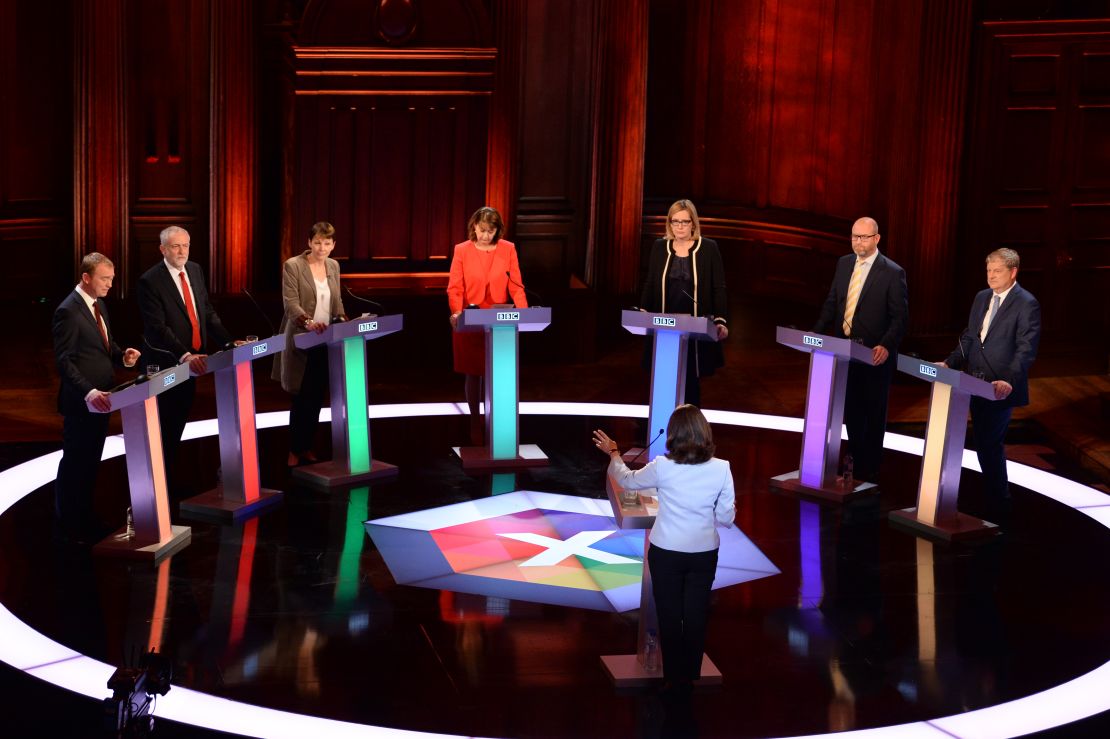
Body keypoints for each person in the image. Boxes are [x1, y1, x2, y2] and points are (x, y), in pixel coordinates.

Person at [592, 405, 736, 694]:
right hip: (704, 553)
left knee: (670, 614)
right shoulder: (722, 468)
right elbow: (725, 518)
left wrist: (614, 453)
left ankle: (673, 677)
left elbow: (627, 480)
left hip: (666, 552)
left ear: (673, 434)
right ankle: (690, 673)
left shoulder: (663, 466)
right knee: (695, 614)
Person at [940, 248, 1040, 520]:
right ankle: (989, 497)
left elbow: (1025, 349)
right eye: (989, 271)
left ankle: (1000, 503)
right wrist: (949, 363)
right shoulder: (981, 297)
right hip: (972, 382)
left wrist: (1008, 379)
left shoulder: (1026, 303)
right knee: (981, 442)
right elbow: (970, 337)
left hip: (1000, 388)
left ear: (1013, 272)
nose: (992, 276)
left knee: (988, 443)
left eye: (997, 271)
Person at [137, 225, 232, 494]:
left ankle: (168, 481)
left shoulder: (195, 270)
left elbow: (207, 312)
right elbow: (158, 328)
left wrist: (228, 342)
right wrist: (185, 354)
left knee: (178, 421)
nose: (182, 251)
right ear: (163, 249)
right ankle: (157, 486)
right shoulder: (149, 281)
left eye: (185, 246)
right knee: (163, 427)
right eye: (176, 246)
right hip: (167, 363)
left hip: (194, 363)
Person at [52, 253, 141, 542]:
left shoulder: (98, 305)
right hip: (82, 403)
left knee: (90, 463)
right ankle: (68, 524)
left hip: (104, 400)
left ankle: (84, 518)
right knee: (76, 463)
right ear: (86, 277)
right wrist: (89, 391)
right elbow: (64, 362)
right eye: (105, 279)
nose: (110, 284)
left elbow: (106, 346)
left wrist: (123, 356)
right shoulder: (68, 311)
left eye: (112, 279)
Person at [813, 217, 908, 483]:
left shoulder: (892, 272)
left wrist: (886, 345)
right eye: (855, 236)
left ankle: (871, 469)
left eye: (864, 237)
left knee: (873, 413)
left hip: (875, 357)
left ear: (877, 239)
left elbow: (900, 318)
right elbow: (833, 302)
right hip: (844, 352)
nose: (859, 242)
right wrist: (816, 333)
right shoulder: (844, 264)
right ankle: (854, 458)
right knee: (851, 410)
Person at [446, 206, 528, 444]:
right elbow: (455, 287)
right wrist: (456, 313)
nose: (485, 236)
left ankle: (498, 422)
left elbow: (516, 285)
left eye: (490, 231)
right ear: (474, 227)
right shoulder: (461, 250)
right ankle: (475, 421)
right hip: (469, 319)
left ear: (497, 230)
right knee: (473, 373)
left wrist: (522, 313)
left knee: (498, 372)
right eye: (482, 230)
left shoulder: (508, 249)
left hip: (499, 320)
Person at [639, 199, 729, 408]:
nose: (679, 226)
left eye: (685, 222)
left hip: (694, 331)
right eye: (675, 221)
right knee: (662, 378)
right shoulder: (659, 247)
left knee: (690, 384)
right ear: (669, 223)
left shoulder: (708, 248)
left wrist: (721, 320)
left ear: (693, 224)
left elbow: (719, 287)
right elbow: (651, 282)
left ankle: (689, 429)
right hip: (665, 328)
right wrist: (642, 311)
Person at [272, 221, 348, 467]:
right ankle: (294, 448)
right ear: (309, 243)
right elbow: (290, 303)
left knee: (316, 397)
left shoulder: (334, 266)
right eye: (317, 242)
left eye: (327, 243)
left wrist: (345, 320)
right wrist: (309, 322)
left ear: (333, 245)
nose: (322, 247)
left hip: (328, 342)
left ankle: (306, 447)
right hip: (302, 339)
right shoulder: (293, 266)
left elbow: (336, 302)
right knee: (300, 397)